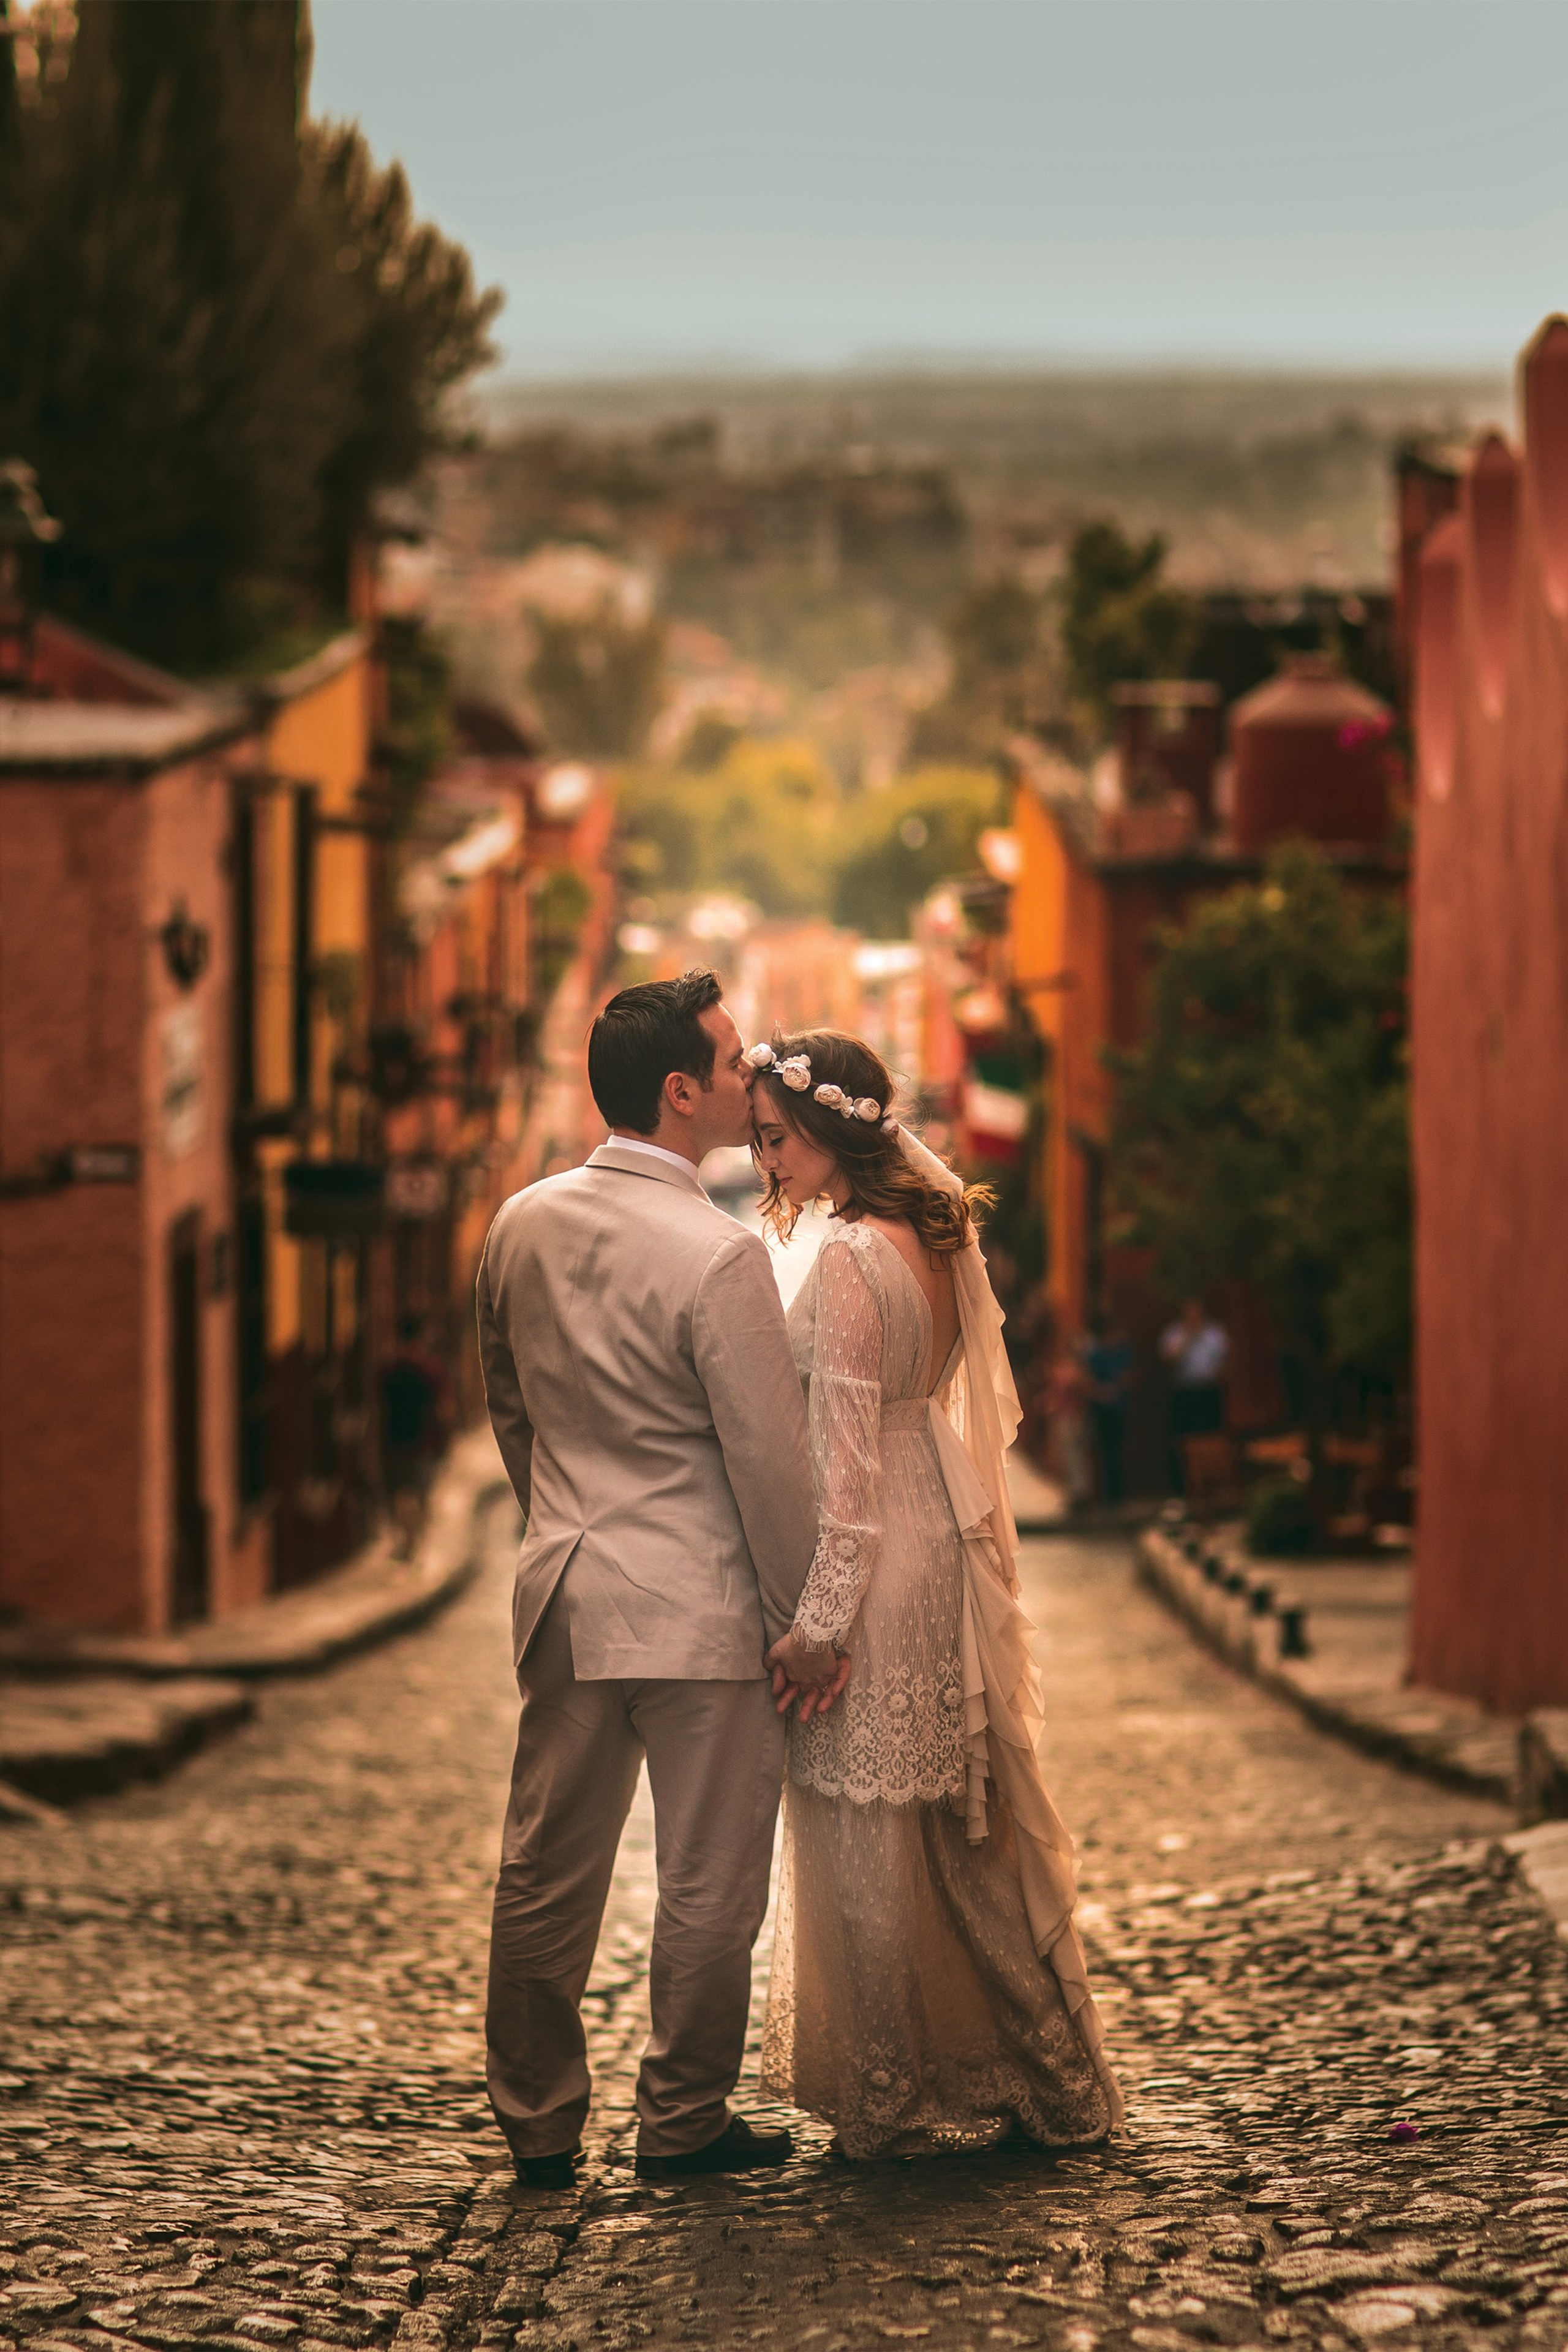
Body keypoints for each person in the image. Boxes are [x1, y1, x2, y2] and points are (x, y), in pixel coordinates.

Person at [474, 970, 844, 2191]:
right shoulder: (717, 1252)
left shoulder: (517, 1222)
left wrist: (563, 1525)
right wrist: (804, 1621)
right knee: (707, 1876)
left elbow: (511, 1408)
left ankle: (535, 2120)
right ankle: (680, 2121)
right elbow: (767, 1462)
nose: (751, 1083)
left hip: (569, 1591)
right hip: (700, 1610)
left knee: (545, 1866)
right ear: (680, 1091)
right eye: (734, 1065)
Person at [750, 1030, 1123, 2158]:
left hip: (878, 1560)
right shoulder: (930, 1232)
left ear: (827, 1131)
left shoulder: (858, 1258)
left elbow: (848, 1483)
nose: (764, 1156)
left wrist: (817, 1629)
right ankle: (1059, 2084)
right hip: (937, 1536)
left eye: (775, 1136)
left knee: (866, 1837)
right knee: (964, 1839)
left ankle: (890, 2098)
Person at [381, 1316, 450, 1559]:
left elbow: (380, 1408)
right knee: (419, 1495)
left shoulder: (390, 1370)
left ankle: (408, 1540)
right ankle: (415, 1542)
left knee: (400, 1494)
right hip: (423, 1443)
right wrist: (444, 1442)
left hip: (396, 1441)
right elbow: (444, 1410)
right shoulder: (430, 1370)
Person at [1161, 1297, 1231, 1491]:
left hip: (1209, 1391)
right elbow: (1170, 1359)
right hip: (1185, 1393)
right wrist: (1189, 1337)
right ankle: (1184, 1488)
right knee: (1184, 1442)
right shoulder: (1174, 1332)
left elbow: (1226, 1360)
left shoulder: (1215, 1332)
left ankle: (1214, 1486)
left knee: (1211, 1439)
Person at [1083, 1317, 1134, 1507]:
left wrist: (1118, 1387)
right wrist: (1102, 1392)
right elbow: (1087, 1382)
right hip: (1101, 1410)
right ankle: (1107, 1495)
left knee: (1118, 1451)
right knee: (1105, 1452)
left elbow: (1129, 1376)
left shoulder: (1123, 1353)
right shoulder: (1096, 1355)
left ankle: (1118, 1495)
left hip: (1119, 1408)